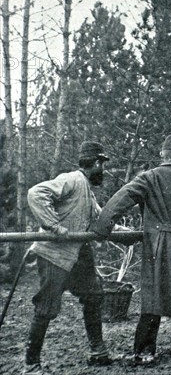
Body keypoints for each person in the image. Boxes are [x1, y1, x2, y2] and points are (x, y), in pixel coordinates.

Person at [92, 135, 171, 365]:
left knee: (155, 296)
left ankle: (145, 350)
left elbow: (120, 200)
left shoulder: (149, 178)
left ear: (163, 154)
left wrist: (102, 229)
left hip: (162, 246)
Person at [24, 141, 113, 374]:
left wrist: (127, 234)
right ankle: (31, 364)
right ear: (95, 163)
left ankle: (98, 351)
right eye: (102, 165)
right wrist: (53, 226)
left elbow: (100, 220)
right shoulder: (72, 179)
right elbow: (36, 193)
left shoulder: (88, 193)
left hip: (77, 253)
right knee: (47, 307)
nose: (103, 171)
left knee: (93, 296)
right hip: (53, 254)